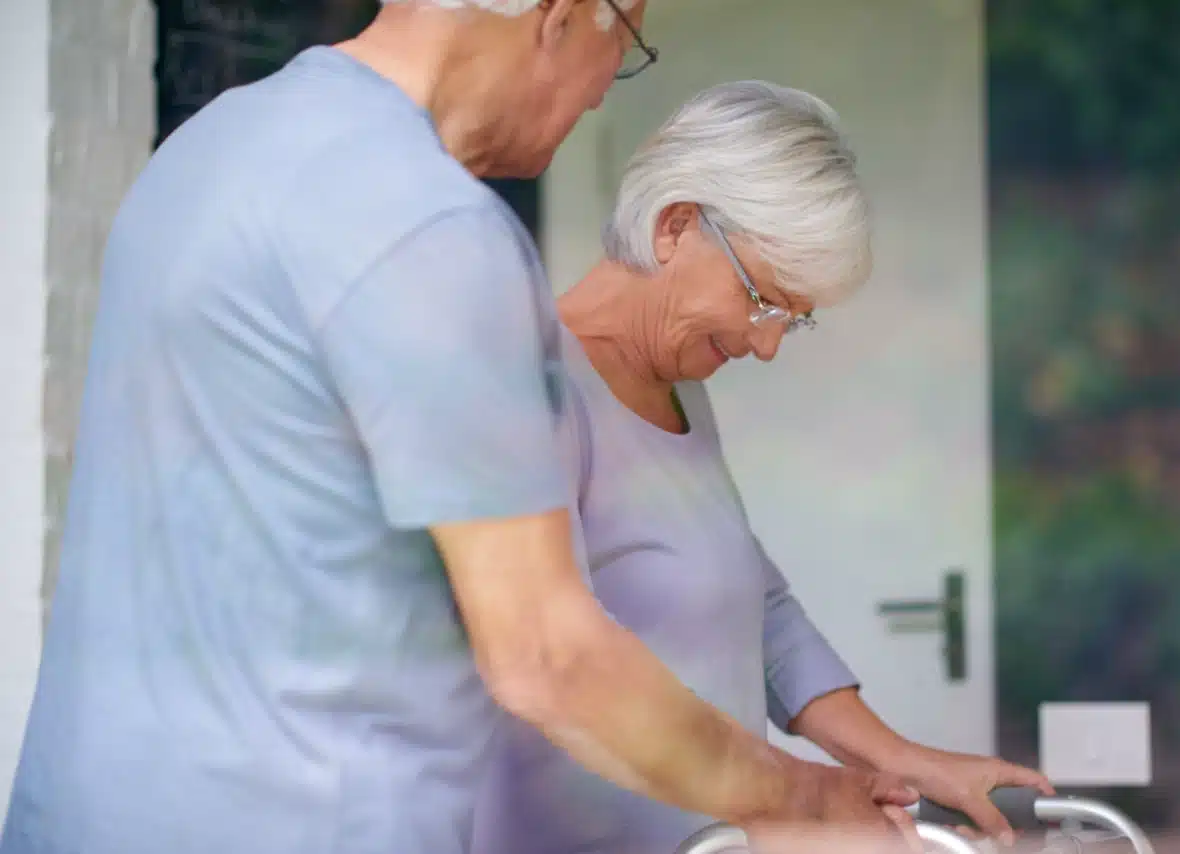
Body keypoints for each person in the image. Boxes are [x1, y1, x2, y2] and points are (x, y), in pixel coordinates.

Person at [0, 4, 918, 854]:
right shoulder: (431, 226)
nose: (605, 90)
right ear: (561, 15)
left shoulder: (206, 149)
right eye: (627, 41)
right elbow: (546, 657)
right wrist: (801, 799)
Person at [474, 81, 1054, 854]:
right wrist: (803, 797)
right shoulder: (536, 392)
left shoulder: (677, 389)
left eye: (793, 319)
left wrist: (905, 761)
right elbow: (556, 667)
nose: (767, 343)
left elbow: (763, 609)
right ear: (675, 226)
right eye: (762, 300)